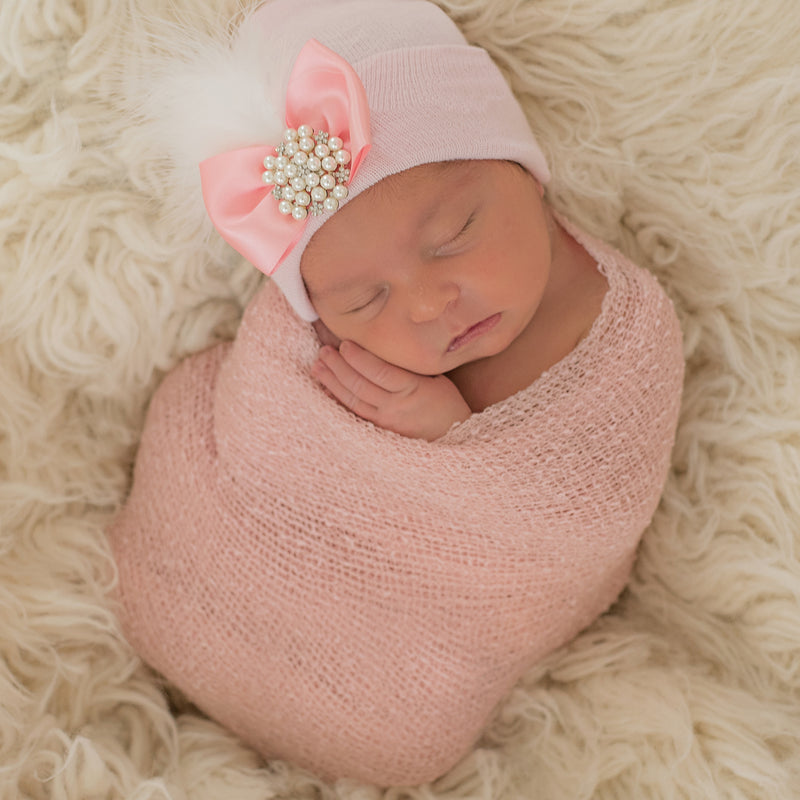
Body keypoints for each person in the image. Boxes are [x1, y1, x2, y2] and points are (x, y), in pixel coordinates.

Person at [109, 0, 684, 787]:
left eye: (453, 237)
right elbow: (270, 409)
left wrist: (451, 441)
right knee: (191, 405)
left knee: (405, 724)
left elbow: (589, 516)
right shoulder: (308, 329)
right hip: (250, 539)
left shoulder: (625, 330)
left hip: (427, 639)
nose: (424, 304)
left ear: (524, 173)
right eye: (362, 302)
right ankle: (176, 598)